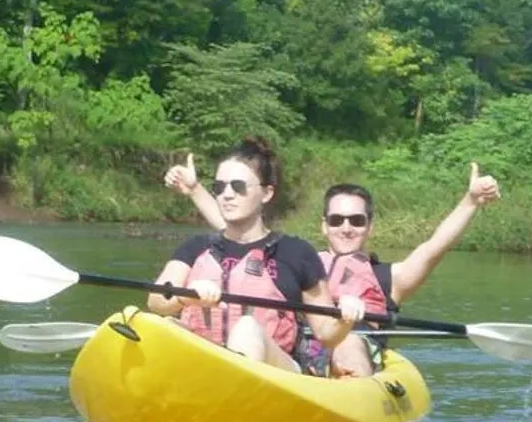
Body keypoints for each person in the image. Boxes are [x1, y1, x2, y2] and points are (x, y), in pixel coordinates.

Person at [164, 153, 501, 376]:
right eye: (337, 220)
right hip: (300, 349)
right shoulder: (301, 259)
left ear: (369, 226)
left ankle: (350, 410)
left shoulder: (388, 277)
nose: (346, 227)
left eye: (356, 220)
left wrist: (470, 201)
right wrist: (195, 190)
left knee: (348, 344)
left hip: (350, 342)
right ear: (324, 226)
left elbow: (434, 248)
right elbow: (233, 230)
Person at [147, 138, 367, 375]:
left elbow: (325, 333)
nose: (227, 195)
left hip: (277, 374)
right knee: (160, 326)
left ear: (266, 193)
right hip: (204, 366)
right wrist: (186, 297)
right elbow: (156, 301)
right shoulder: (196, 247)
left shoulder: (296, 252)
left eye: (238, 187)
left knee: (247, 329)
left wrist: (345, 318)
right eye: (220, 187)